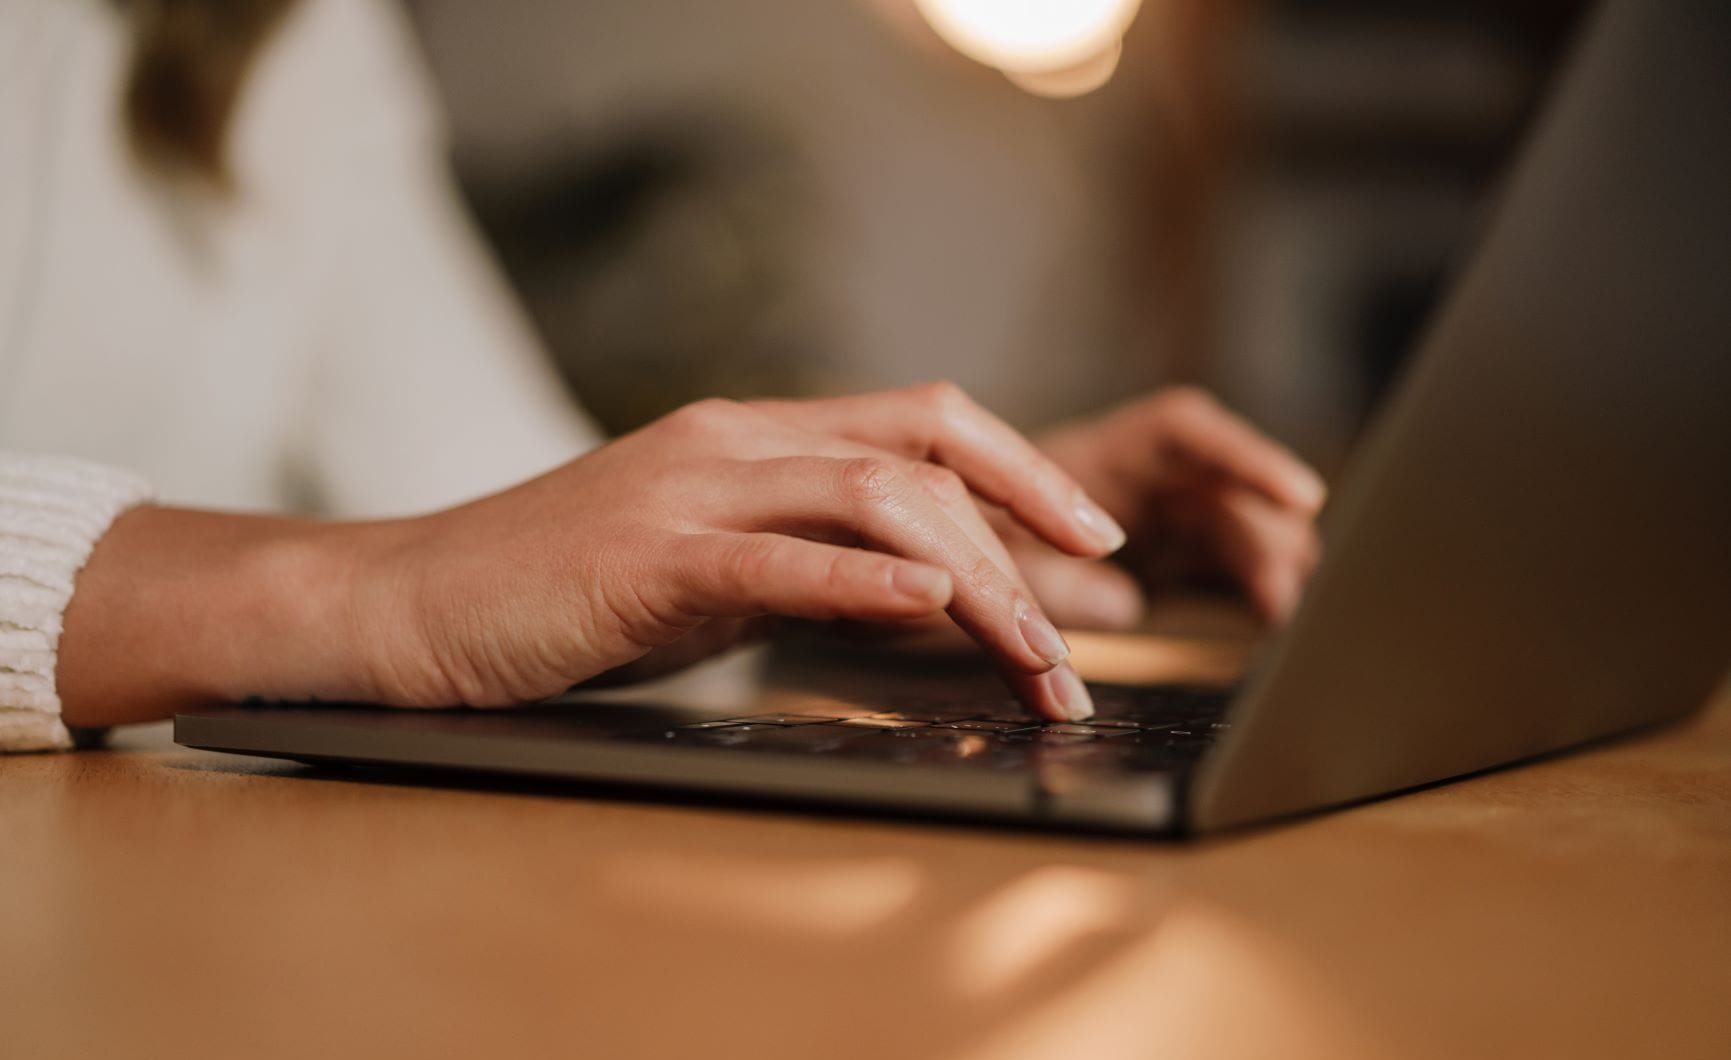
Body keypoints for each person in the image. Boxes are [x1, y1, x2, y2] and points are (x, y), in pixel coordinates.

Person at [0, 0, 1324, 753]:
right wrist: (359, 587)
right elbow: (423, 580)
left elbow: (501, 524)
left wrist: (866, 531)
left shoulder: (279, 36)